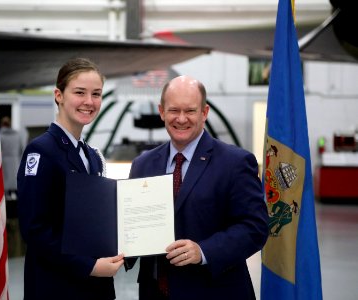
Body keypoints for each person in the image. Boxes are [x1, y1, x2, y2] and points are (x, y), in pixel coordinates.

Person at [127, 75, 268, 299]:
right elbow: (132, 225)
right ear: (162, 112)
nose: (181, 119)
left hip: (214, 292)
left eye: (190, 111)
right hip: (155, 292)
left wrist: (203, 251)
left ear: (204, 113)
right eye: (174, 110)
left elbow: (255, 228)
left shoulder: (235, 162)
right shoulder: (142, 165)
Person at [17, 58, 124, 299]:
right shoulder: (41, 151)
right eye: (79, 92)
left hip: (95, 286)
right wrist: (88, 266)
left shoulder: (92, 156)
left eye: (96, 94)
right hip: (57, 287)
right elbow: (35, 230)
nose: (89, 102)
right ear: (59, 95)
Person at [0, 116, 23, 200]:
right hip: (15, 162)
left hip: (4, 162)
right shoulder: (17, 135)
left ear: (2, 124)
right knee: (15, 183)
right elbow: (21, 149)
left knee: (5, 185)